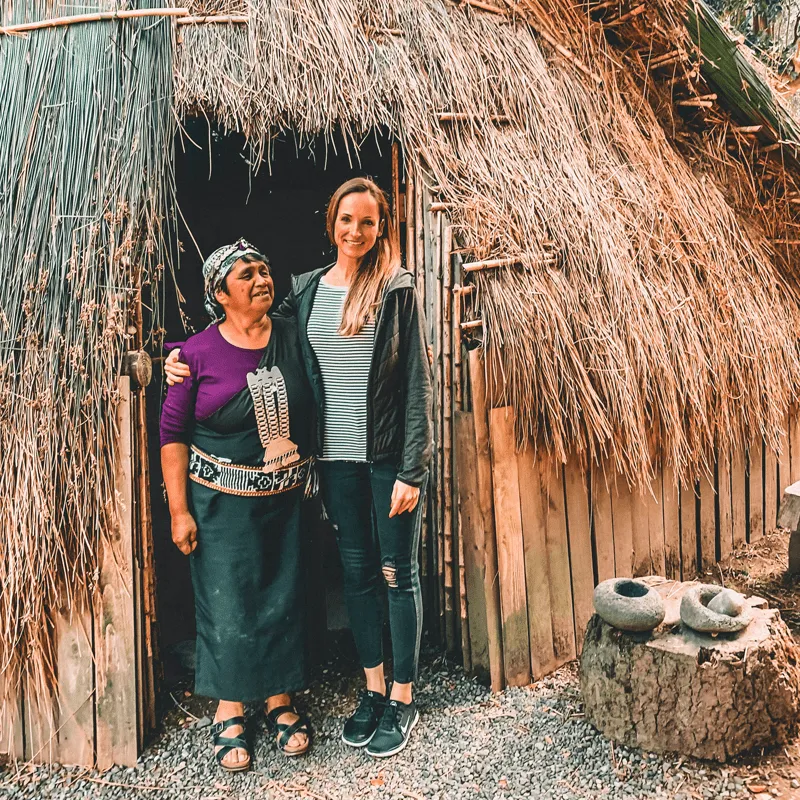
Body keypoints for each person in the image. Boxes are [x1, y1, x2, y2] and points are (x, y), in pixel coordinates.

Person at [166, 178, 433, 758]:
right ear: (331, 223)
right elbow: (251, 334)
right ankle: (371, 688)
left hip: (386, 459)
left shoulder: (395, 289)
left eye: (367, 221)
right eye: (346, 219)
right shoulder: (306, 292)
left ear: (380, 227)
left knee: (397, 575)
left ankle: (403, 697)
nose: (355, 231)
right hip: (334, 463)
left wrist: (413, 470)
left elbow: (416, 382)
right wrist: (179, 362)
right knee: (358, 575)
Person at [160, 239, 314, 773]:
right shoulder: (196, 355)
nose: (261, 279)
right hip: (219, 506)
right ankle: (230, 706)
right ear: (220, 295)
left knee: (281, 594)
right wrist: (179, 510)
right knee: (228, 603)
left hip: (284, 501)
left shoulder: (293, 335)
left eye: (265, 270)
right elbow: (173, 433)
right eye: (245, 275)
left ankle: (278, 700)